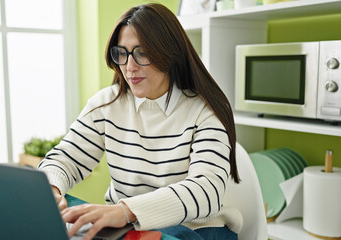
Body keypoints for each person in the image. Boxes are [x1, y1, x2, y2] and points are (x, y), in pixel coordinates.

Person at [38, 3, 241, 240]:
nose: (129, 67)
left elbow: (206, 190)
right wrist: (51, 189)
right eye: (122, 53)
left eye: (142, 53)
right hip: (131, 225)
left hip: (198, 229)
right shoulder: (107, 104)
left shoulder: (205, 112)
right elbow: (65, 159)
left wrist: (126, 210)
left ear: (170, 53)